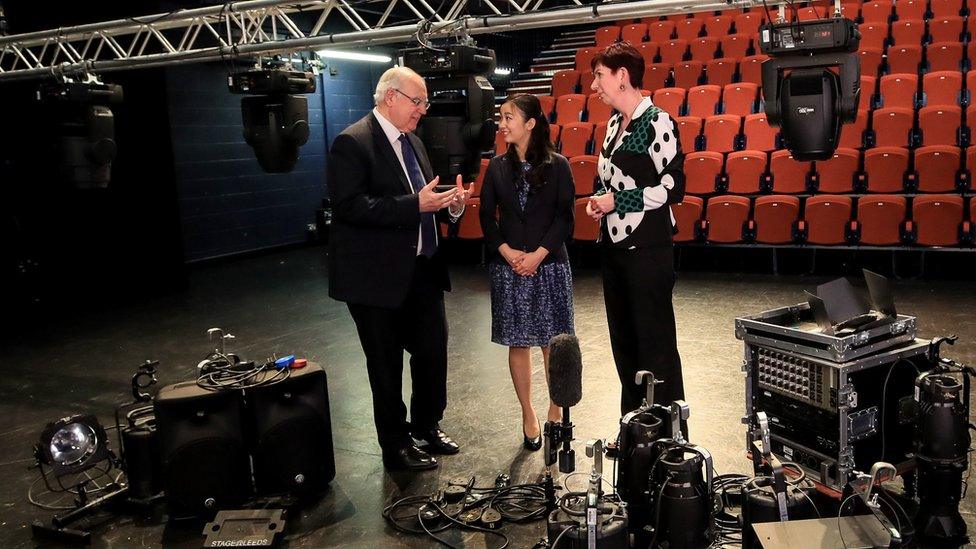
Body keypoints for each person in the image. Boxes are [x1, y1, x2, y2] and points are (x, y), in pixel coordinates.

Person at [327, 66, 471, 471]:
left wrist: (451, 205)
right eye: (417, 101)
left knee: (432, 354)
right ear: (390, 97)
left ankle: (427, 426)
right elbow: (350, 207)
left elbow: (424, 198)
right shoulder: (352, 143)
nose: (423, 110)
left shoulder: (414, 143)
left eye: (424, 102)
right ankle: (395, 444)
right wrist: (416, 205)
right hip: (375, 281)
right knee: (385, 365)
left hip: (421, 270)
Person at [586, 42, 686, 414]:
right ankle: (634, 426)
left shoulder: (656, 121)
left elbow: (673, 186)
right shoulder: (614, 123)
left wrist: (618, 202)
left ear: (622, 76)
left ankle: (668, 435)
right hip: (613, 249)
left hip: (647, 250)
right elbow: (613, 179)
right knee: (624, 344)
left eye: (600, 75)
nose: (594, 85)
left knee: (655, 347)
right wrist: (601, 199)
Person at [479, 94, 576, 451]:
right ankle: (527, 412)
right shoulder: (496, 166)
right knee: (518, 342)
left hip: (548, 265)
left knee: (552, 342)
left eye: (508, 117)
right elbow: (487, 218)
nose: (502, 124)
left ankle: (554, 407)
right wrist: (507, 253)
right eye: (501, 117)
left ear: (531, 124)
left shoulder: (559, 165)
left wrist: (537, 255)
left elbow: (565, 217)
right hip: (509, 268)